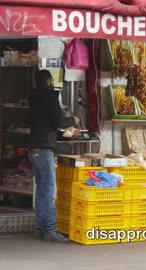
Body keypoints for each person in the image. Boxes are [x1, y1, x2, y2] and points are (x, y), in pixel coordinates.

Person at [28, 69, 80, 243]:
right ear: (49, 81)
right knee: (49, 192)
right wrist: (73, 120)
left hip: (34, 148)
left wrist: (65, 133)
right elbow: (58, 121)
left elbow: (45, 124)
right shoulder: (50, 96)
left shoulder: (33, 98)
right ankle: (50, 230)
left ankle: (39, 229)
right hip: (44, 150)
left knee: (41, 191)